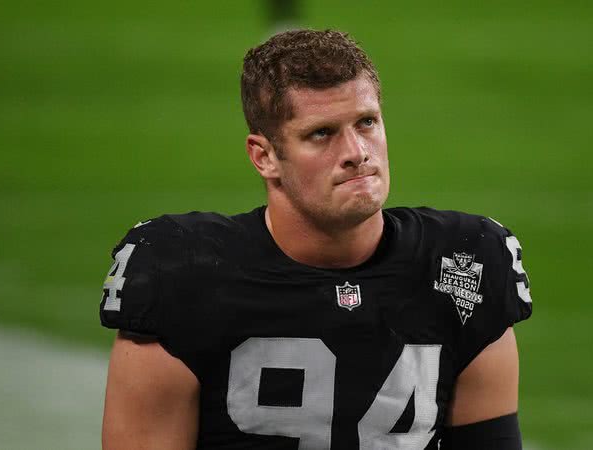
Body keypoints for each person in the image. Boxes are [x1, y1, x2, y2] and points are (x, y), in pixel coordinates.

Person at [100, 29, 532, 450]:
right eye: (321, 133)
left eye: (366, 123)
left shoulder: (467, 262)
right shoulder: (178, 272)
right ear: (264, 156)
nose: (356, 152)